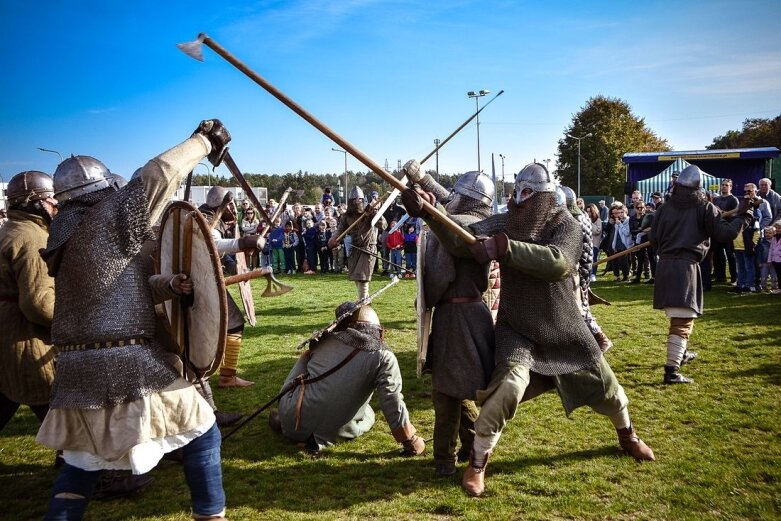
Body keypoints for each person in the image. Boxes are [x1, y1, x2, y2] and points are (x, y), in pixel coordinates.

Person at [404, 162, 655, 498]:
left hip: (564, 328)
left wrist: (505, 248)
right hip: (517, 328)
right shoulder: (510, 222)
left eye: (527, 194)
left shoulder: (567, 226)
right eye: (517, 193)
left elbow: (557, 263)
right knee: (504, 391)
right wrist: (430, 213)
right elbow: (466, 237)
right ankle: (477, 465)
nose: (519, 200)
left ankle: (628, 437)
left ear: (545, 197)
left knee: (611, 393)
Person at [37, 120, 231, 520]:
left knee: (80, 464)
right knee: (203, 433)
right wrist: (202, 142)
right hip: (124, 362)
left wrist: (168, 285)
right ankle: (211, 515)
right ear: (102, 191)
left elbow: (120, 293)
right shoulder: (105, 222)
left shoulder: (69, 242)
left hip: (77, 369)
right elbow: (158, 174)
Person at [402, 162, 495, 477]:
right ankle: (470, 446)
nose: (449, 197)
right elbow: (449, 206)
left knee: (445, 392)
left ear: (465, 198)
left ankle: (444, 459)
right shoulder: (477, 221)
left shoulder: (468, 228)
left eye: (456, 193)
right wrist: (423, 179)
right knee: (460, 388)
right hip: (470, 314)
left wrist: (427, 210)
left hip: (458, 318)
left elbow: (451, 227)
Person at [270, 303, 425, 456]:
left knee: (307, 366)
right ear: (376, 329)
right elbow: (391, 399)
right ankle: (313, 433)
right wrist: (410, 440)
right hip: (330, 430)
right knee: (368, 414)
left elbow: (293, 381)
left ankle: (287, 423)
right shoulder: (383, 356)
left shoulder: (322, 341)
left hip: (290, 418)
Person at [649, 164, 757, 384]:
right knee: (682, 322)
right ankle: (672, 371)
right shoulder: (704, 207)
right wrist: (745, 215)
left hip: (666, 266)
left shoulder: (664, 209)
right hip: (684, 268)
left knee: (683, 317)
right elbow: (725, 233)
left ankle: (681, 354)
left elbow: (653, 240)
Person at [0, 171, 59, 430]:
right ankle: (76, 462)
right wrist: (72, 319)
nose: (56, 205)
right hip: (26, 337)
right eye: (51, 200)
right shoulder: (32, 236)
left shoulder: (11, 229)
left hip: (8, 332)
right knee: (55, 407)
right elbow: (38, 302)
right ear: (34, 201)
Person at [199, 186, 257, 388]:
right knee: (233, 322)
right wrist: (242, 242)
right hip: (203, 283)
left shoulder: (207, 217)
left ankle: (218, 375)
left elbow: (219, 256)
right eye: (230, 203)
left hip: (203, 281)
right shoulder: (206, 219)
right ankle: (226, 377)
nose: (233, 207)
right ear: (222, 204)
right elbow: (214, 244)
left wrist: (235, 267)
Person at [328, 187, 386, 298]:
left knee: (363, 277)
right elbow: (340, 230)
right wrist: (335, 238)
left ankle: (362, 302)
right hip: (354, 248)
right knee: (356, 276)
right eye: (354, 200)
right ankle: (365, 301)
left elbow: (383, 224)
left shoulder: (369, 212)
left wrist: (374, 212)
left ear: (362, 199)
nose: (356, 202)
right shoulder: (346, 216)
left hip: (368, 248)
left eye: (359, 200)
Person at [711, 179, 739, 283]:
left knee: (730, 255)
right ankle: (720, 277)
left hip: (729, 229)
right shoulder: (716, 199)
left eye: (726, 185)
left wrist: (721, 212)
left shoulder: (733, 199)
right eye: (722, 185)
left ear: (730, 187)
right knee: (718, 255)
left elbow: (736, 214)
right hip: (718, 230)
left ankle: (734, 277)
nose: (724, 187)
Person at [240, 205, 260, 269]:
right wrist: (252, 228)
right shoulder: (244, 220)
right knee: (247, 253)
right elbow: (243, 229)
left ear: (253, 213)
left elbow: (256, 229)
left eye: (251, 213)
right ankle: (248, 267)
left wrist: (248, 229)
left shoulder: (256, 221)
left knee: (254, 253)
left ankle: (254, 267)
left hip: (254, 238)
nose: (249, 214)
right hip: (246, 238)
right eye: (248, 213)